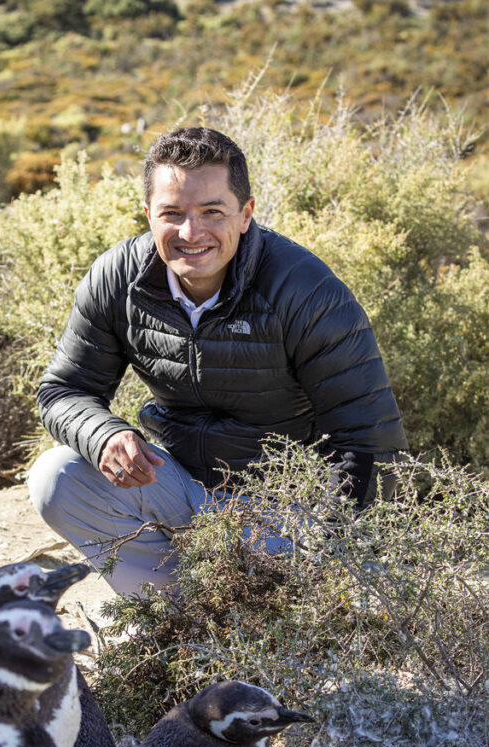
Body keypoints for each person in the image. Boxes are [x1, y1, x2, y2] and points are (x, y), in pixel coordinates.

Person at [29, 127, 407, 595]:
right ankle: (176, 612)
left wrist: (332, 557)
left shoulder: (306, 292)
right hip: (181, 489)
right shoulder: (117, 279)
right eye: (172, 213)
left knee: (290, 598)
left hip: (284, 512)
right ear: (148, 214)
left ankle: (264, 617)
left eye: (212, 211)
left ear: (245, 214)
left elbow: (370, 440)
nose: (192, 233)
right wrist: (104, 435)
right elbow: (63, 390)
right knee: (57, 477)